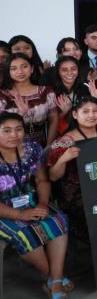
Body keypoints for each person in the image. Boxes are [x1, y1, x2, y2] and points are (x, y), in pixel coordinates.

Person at [0, 112, 71, 298]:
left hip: (28, 199)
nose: (14, 135)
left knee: (58, 220)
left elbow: (41, 180)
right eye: (6, 131)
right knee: (26, 234)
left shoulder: (31, 148)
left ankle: (53, 281)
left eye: (18, 129)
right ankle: (54, 278)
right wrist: (20, 215)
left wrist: (42, 203)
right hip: (3, 209)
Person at [47, 98, 97, 243]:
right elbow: (53, 177)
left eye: (95, 111)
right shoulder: (65, 141)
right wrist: (64, 158)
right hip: (79, 192)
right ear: (75, 115)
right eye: (86, 112)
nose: (91, 115)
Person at [0, 54, 58, 146]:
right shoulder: (2, 95)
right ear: (8, 72)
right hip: (11, 146)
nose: (20, 71)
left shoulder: (46, 92)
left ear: (32, 69)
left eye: (24, 66)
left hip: (41, 144)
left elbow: (54, 120)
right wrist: (20, 114)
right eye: (14, 68)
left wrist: (49, 147)